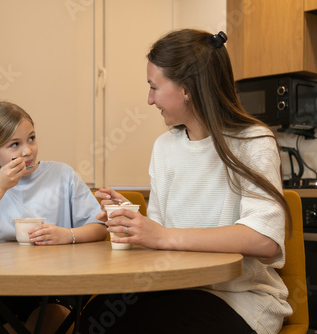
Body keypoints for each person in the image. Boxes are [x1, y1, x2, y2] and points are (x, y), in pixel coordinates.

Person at [80, 29, 292, 334]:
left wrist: (163, 236)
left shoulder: (253, 142)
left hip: (239, 299)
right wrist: (133, 222)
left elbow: (264, 241)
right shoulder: (165, 148)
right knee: (94, 316)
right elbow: (161, 238)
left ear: (186, 89)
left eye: (154, 87)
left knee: (145, 323)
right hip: (176, 288)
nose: (149, 99)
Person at [0, 100, 107, 333]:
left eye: (31, 138)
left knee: (51, 319)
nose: (27, 151)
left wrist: (67, 235)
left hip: (58, 286)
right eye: (15, 144)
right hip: (3, 290)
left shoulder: (62, 175)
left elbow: (99, 227)